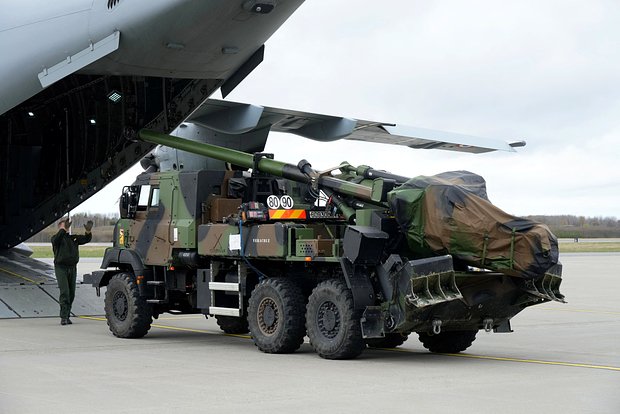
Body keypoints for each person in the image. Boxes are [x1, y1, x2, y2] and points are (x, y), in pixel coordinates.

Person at [50, 217, 93, 325]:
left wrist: (88, 231)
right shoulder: (56, 238)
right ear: (60, 227)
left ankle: (67, 315)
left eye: (67, 225)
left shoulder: (73, 238)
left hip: (72, 268)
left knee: (71, 293)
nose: (67, 227)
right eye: (64, 225)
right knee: (65, 292)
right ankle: (64, 317)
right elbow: (56, 239)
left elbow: (86, 239)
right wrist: (63, 229)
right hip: (61, 268)